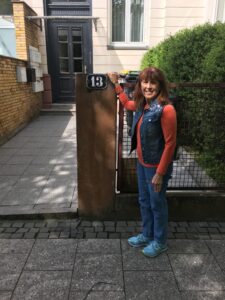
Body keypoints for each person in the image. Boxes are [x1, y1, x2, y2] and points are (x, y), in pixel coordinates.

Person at [108, 67, 177, 258]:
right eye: (144, 82)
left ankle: (160, 241)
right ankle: (147, 235)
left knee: (157, 204)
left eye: (152, 83)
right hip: (142, 163)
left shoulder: (166, 109)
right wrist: (116, 85)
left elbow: (170, 144)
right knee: (144, 201)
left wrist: (160, 173)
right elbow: (127, 104)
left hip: (156, 167)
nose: (148, 86)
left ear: (160, 85)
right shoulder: (143, 104)